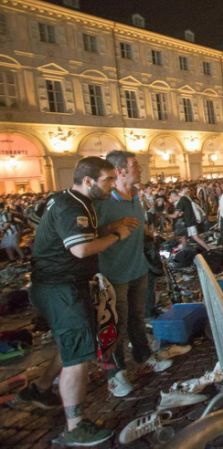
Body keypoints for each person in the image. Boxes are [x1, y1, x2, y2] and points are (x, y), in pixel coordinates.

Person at [23, 157, 137, 446]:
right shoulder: (71, 206)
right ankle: (75, 427)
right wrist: (116, 234)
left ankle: (39, 389)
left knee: (71, 344)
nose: (113, 184)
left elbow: (74, 236)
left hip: (59, 285)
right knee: (79, 356)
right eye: (108, 179)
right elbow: (81, 248)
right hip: (61, 288)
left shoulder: (73, 200)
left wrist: (108, 227)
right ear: (88, 181)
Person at [96, 151, 172, 399]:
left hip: (138, 268)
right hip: (113, 273)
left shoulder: (136, 196)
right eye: (135, 166)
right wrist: (112, 228)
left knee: (137, 318)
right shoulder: (103, 201)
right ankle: (114, 374)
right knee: (115, 325)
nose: (140, 169)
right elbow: (90, 234)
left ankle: (143, 356)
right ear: (120, 171)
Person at [169, 186, 212, 252]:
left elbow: (175, 215)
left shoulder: (181, 202)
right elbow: (183, 212)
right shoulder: (184, 198)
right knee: (184, 237)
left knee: (195, 237)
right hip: (189, 222)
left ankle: (209, 249)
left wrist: (164, 215)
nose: (170, 199)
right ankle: (184, 250)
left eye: (171, 197)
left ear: (173, 195)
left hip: (190, 222)